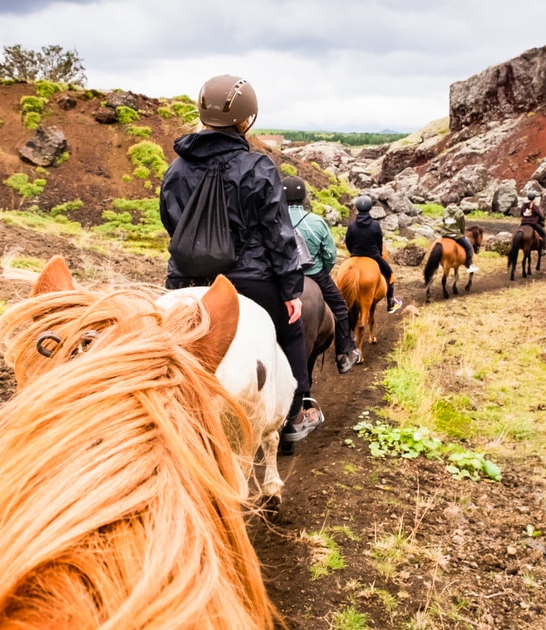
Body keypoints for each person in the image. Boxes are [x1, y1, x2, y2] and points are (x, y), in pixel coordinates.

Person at [159, 74, 320, 451]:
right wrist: (291, 291)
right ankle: (295, 415)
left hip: (185, 281)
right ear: (246, 120)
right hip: (250, 281)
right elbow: (278, 236)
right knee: (290, 331)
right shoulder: (258, 168)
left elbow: (172, 222)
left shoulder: (175, 169)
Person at [282, 175, 361, 373]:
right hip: (314, 275)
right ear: (303, 198)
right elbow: (330, 254)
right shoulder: (316, 222)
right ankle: (344, 354)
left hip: (281, 277)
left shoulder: (273, 220)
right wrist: (323, 271)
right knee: (341, 309)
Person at [344, 195, 402, 314]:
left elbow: (348, 242)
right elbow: (379, 242)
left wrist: (353, 253)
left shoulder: (352, 225)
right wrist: (379, 255)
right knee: (390, 274)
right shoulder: (375, 225)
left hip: (355, 255)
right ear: (370, 208)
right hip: (373, 255)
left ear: (357, 209)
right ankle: (391, 302)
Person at [440, 200, 479, 274]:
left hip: (445, 234)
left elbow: (443, 221)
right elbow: (462, 225)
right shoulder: (460, 212)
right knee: (469, 248)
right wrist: (462, 233)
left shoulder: (445, 211)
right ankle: (469, 265)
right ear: (456, 201)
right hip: (456, 235)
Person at [520, 190, 546, 256]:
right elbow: (541, 216)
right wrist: (541, 221)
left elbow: (521, 213)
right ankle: (543, 249)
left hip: (524, 223)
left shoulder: (524, 206)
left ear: (527, 197)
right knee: (544, 234)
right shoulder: (535, 207)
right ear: (534, 198)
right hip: (533, 224)